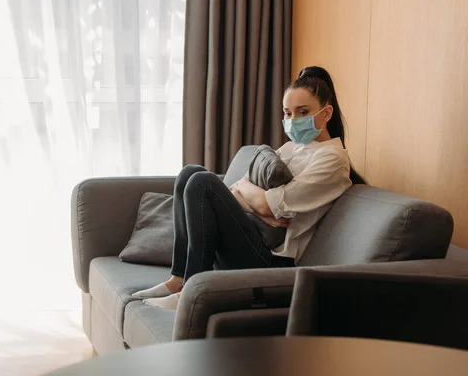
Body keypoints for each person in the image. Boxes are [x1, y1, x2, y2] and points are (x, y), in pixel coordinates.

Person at [133, 66, 365, 310]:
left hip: (271, 259)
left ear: (326, 113)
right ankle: (177, 279)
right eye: (287, 113)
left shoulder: (333, 160)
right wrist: (258, 203)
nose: (292, 121)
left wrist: (258, 201)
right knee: (190, 173)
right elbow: (238, 189)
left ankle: (190, 293)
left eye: (302, 112)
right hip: (251, 236)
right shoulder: (292, 148)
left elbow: (268, 203)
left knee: (203, 182)